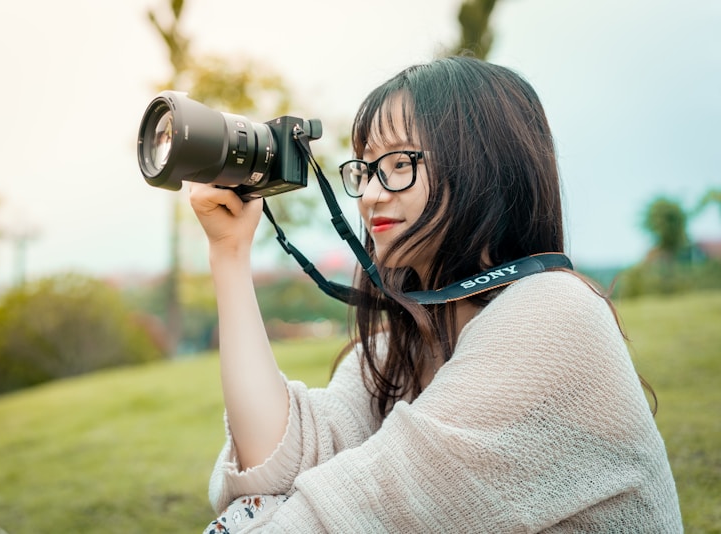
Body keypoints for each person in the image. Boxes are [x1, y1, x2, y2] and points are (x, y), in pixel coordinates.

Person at [191, 56, 682, 533]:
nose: (369, 195)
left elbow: (347, 518)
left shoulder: (552, 316)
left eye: (399, 162)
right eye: (364, 168)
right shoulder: (392, 350)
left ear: (483, 166)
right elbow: (276, 463)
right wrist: (229, 254)